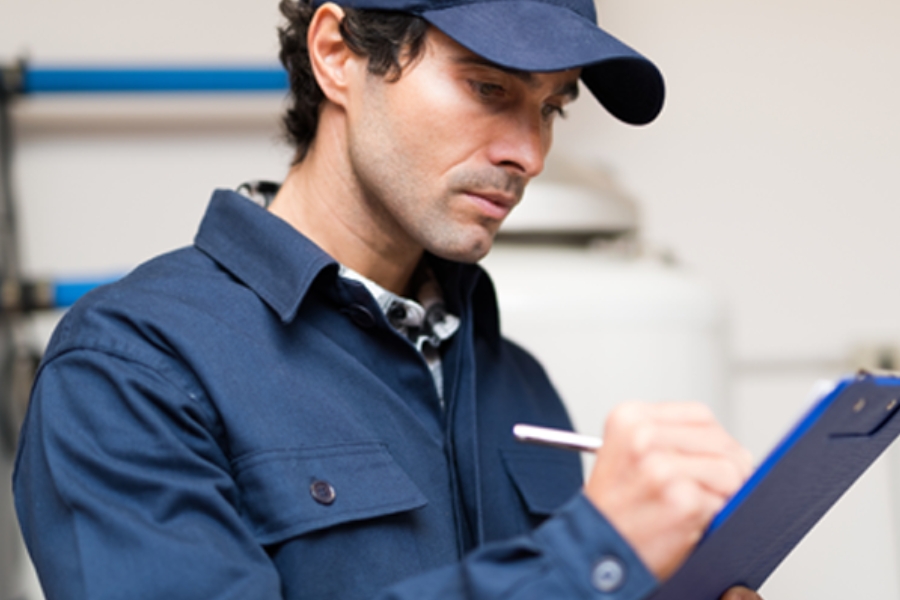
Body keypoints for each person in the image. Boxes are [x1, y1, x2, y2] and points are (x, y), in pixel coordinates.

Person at [13, 0, 763, 598]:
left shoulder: (517, 381)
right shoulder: (133, 370)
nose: (528, 154)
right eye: (488, 87)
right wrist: (592, 556)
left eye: (552, 107)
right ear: (337, 54)